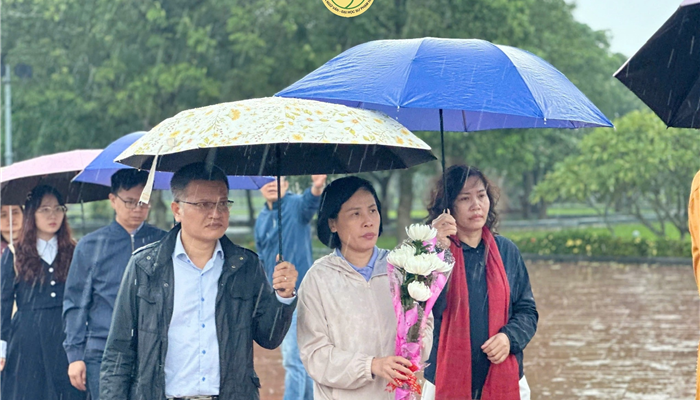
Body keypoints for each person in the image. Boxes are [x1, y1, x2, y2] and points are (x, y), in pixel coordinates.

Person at [100, 162, 298, 400]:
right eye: (204, 204)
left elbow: (269, 337)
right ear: (177, 210)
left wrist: (283, 298)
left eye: (222, 203)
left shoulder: (245, 266)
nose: (216, 213)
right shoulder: (145, 266)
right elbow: (119, 349)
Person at [297, 176, 449, 400]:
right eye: (355, 214)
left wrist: (413, 350)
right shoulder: (318, 279)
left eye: (372, 210)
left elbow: (424, 326)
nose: (368, 221)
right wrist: (371, 365)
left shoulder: (402, 269)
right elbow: (315, 356)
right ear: (332, 223)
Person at [422, 165, 538, 400]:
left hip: (505, 378)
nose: (476, 205)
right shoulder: (431, 255)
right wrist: (433, 249)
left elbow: (527, 311)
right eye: (465, 198)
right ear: (448, 207)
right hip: (444, 379)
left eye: (481, 195)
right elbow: (419, 312)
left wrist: (509, 338)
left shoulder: (506, 251)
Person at [63, 169, 167, 400]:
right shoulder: (91, 245)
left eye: (143, 202)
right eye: (130, 202)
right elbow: (76, 303)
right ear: (112, 200)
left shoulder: (163, 242)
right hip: (102, 350)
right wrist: (75, 355)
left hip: (151, 349)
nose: (137, 209)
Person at [0, 185, 85, 400]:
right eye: (44, 209)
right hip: (26, 337)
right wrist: (1, 347)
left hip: (65, 335)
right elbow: (3, 303)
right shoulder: (14, 253)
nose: (52, 215)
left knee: (68, 392)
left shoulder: (75, 250)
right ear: (31, 214)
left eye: (58, 209)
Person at [255, 175, 326, 400]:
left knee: (293, 360)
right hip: (277, 298)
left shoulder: (296, 205)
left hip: (301, 294)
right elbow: (262, 258)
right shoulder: (262, 218)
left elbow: (310, 203)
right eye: (265, 181)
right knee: (300, 360)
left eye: (276, 180)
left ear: (285, 184)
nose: (270, 185)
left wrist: (317, 187)